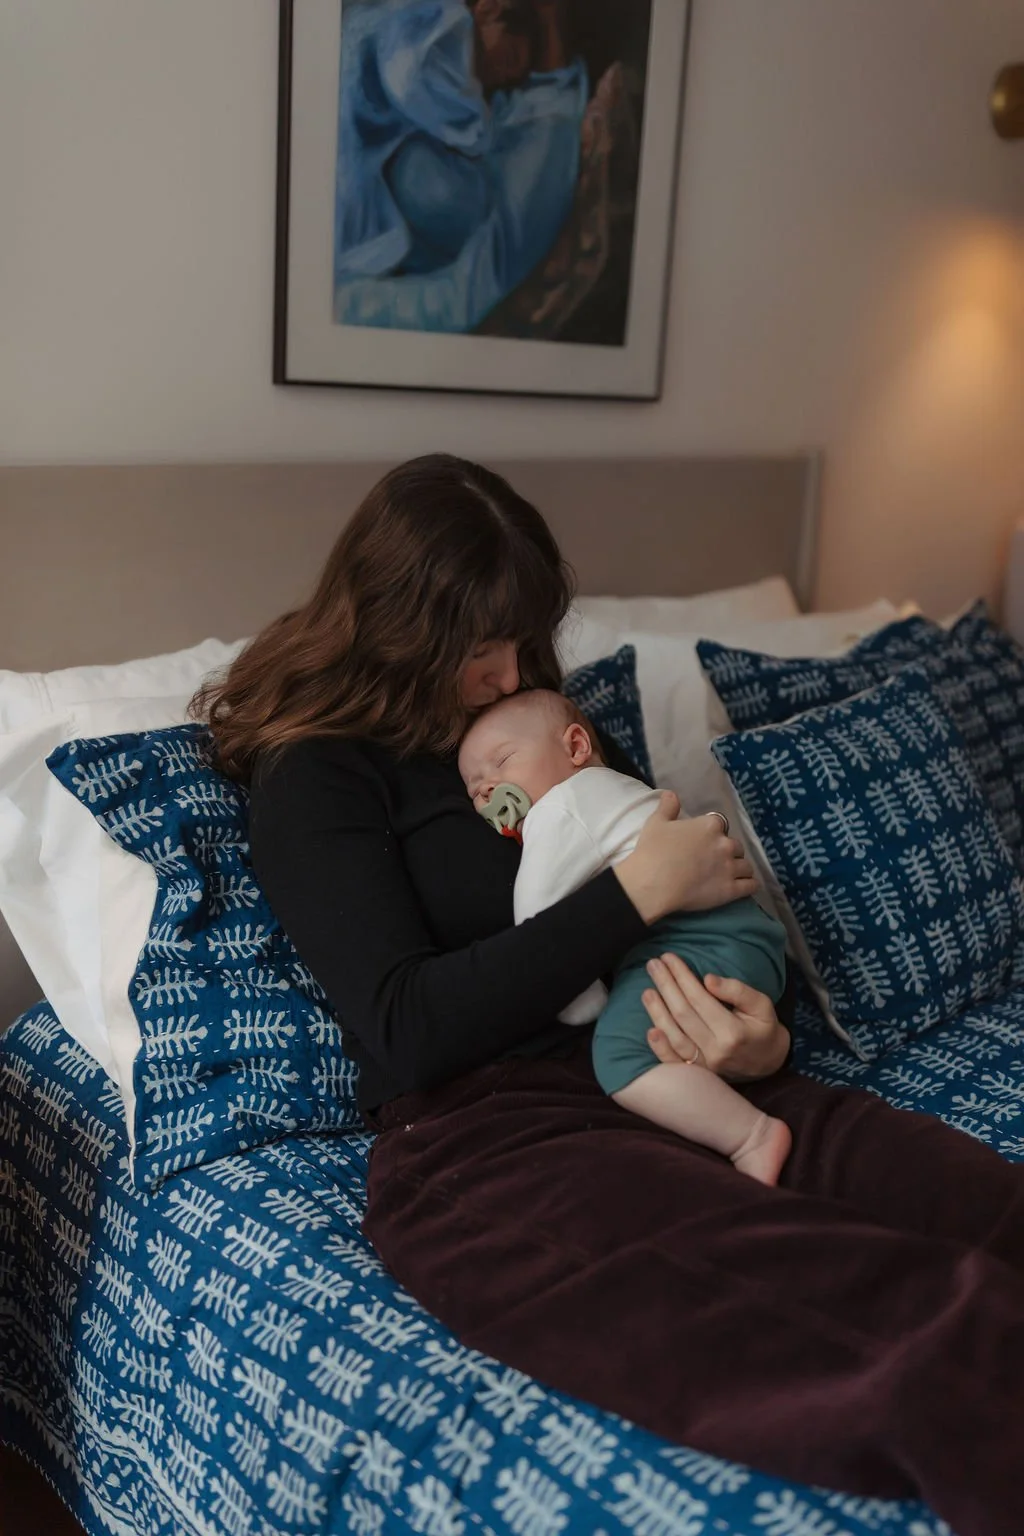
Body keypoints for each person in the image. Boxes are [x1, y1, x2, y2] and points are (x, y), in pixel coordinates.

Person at [197, 454, 1024, 1536]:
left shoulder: (550, 725)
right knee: (915, 1331)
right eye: (476, 648)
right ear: (398, 625)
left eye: (520, 639)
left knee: (989, 1212)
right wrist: (633, 895)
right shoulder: (319, 773)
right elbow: (404, 1030)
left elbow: (691, 897)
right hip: (490, 1132)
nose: (506, 674)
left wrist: (759, 1036)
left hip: (679, 1059)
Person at [457, 689, 792, 1183]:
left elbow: (540, 926)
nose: (490, 791)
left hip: (698, 937)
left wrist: (585, 1005)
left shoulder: (562, 807)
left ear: (575, 747)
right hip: (744, 935)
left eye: (502, 762)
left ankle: (752, 1136)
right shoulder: (615, 790)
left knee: (618, 1056)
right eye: (476, 791)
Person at [333, 0, 588, 333]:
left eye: (511, 78)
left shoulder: (480, 120)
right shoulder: (428, 38)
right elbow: (404, 72)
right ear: (487, 9)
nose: (502, 78)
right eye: (509, 56)